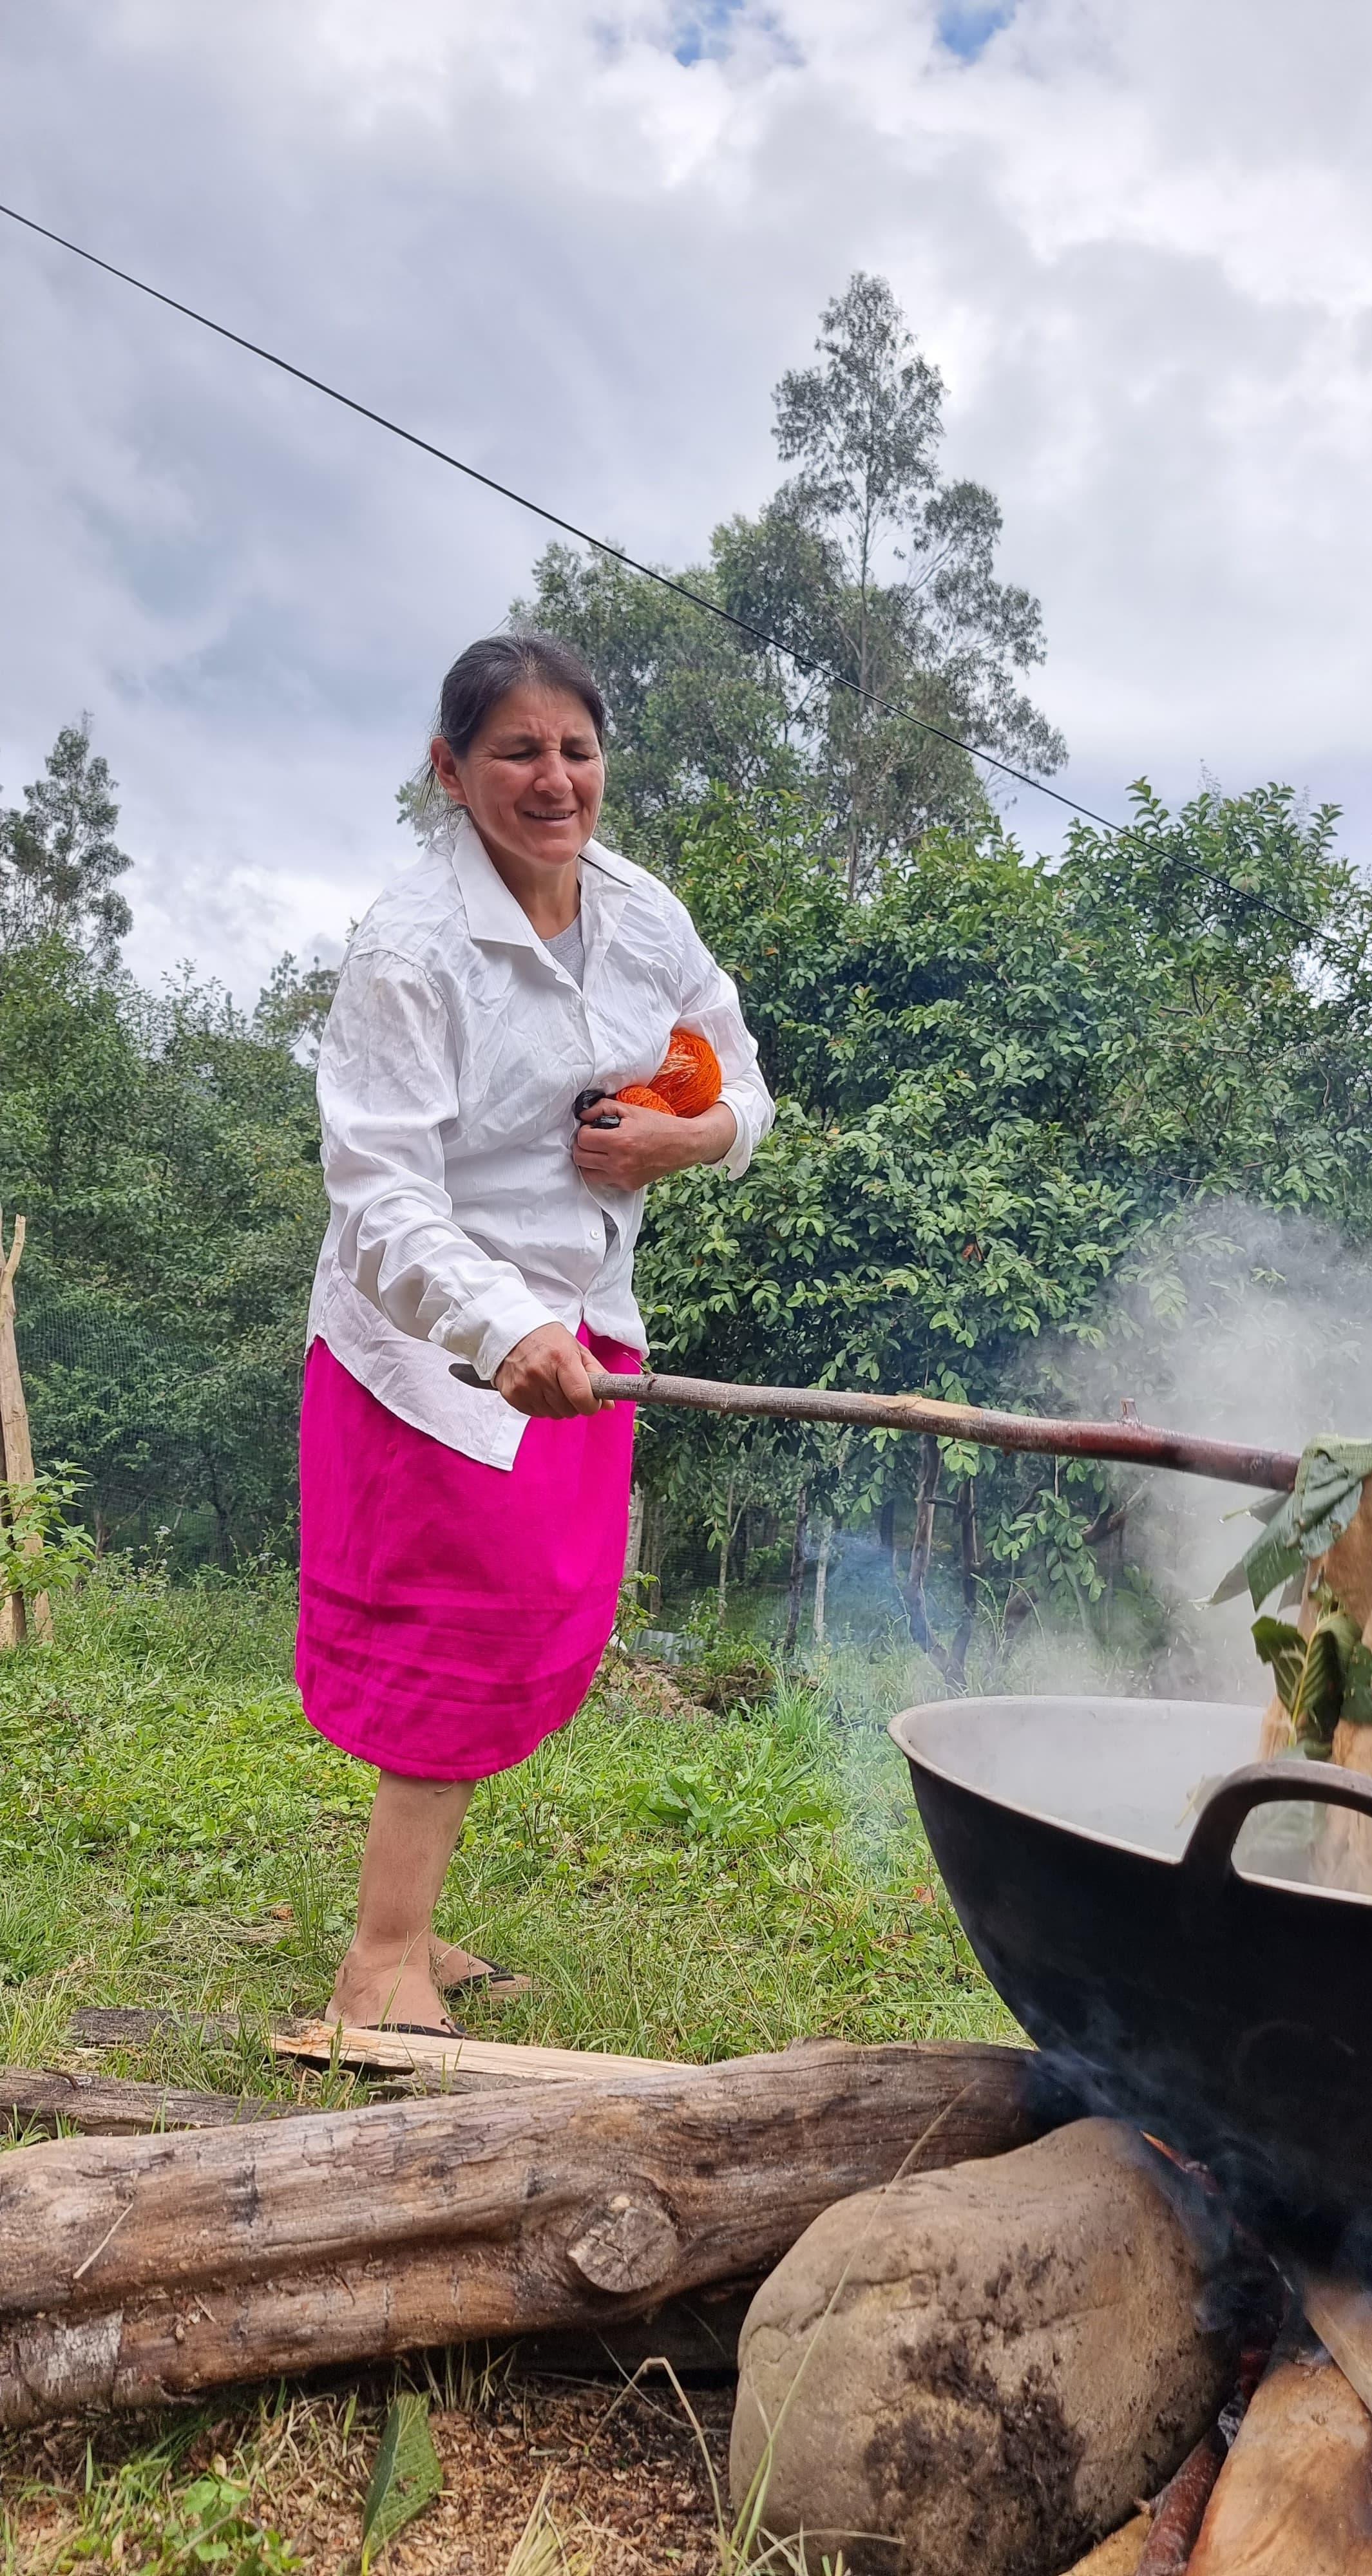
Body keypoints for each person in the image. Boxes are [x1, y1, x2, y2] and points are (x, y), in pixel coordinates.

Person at [298, 632, 774, 2032]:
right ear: (450, 771)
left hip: (587, 1325)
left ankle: (416, 1928)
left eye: (575, 748)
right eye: (516, 750)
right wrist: (500, 1325)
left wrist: (678, 1139)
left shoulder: (642, 914)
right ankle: (379, 1965)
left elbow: (740, 1081)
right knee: (448, 1633)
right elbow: (378, 1194)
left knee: (529, 1625)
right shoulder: (410, 949)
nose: (553, 778)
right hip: (435, 1345)